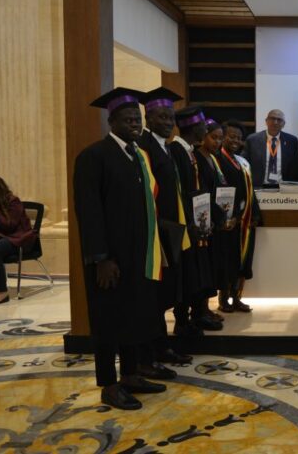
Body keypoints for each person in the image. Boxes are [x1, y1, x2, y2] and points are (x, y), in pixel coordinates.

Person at [74, 87, 167, 410]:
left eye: (137, 119)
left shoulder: (137, 156)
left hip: (136, 255)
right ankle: (109, 385)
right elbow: (89, 212)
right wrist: (101, 258)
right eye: (128, 120)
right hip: (109, 259)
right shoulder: (94, 156)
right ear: (111, 121)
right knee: (107, 321)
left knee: (132, 316)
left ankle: (130, 375)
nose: (135, 124)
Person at [136, 87, 192, 378]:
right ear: (148, 118)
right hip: (156, 233)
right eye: (162, 117)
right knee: (153, 298)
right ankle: (152, 353)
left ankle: (162, 346)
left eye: (171, 117)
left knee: (164, 293)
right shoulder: (144, 146)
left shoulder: (165, 146)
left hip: (171, 231)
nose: (168, 122)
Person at [169, 106, 222, 334]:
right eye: (202, 126)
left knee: (197, 271)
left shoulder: (188, 151)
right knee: (186, 273)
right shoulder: (176, 151)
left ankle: (197, 314)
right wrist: (192, 221)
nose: (205, 129)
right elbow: (182, 192)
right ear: (193, 127)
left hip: (198, 221)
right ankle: (183, 322)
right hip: (186, 223)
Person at [216, 120, 261, 313]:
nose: (235, 140)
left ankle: (237, 297)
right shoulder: (217, 160)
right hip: (228, 220)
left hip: (244, 220)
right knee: (228, 260)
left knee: (242, 260)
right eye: (231, 136)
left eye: (239, 138)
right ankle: (223, 298)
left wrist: (255, 213)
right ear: (223, 137)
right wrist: (228, 216)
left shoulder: (242, 161)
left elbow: (250, 190)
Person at [194, 119, 231, 320]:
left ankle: (206, 308)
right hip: (203, 219)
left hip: (215, 219)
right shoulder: (197, 157)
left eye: (220, 138)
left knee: (213, 266)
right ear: (204, 136)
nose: (217, 142)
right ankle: (200, 310)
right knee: (203, 266)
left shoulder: (214, 158)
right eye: (213, 137)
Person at [0, 176, 36, 305]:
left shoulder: (13, 202)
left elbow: (10, 226)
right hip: (1, 238)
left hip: (18, 238)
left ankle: (2, 292)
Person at [244, 109, 298, 187]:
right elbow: (245, 164)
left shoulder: (292, 141)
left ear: (283, 124)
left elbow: (296, 166)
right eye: (272, 118)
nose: (275, 122)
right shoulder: (252, 140)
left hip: (283, 188)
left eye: (279, 120)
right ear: (266, 121)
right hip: (259, 187)